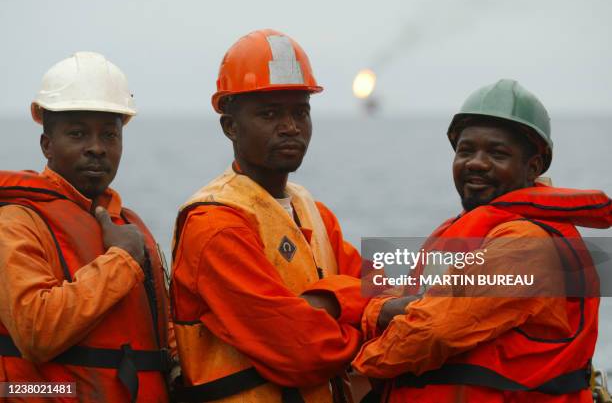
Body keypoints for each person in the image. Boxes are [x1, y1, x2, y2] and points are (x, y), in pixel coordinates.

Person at [352, 79, 612, 402]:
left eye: (497, 153)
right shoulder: (465, 230)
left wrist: (357, 358)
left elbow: (432, 331)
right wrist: (383, 309)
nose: (476, 162)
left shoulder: (526, 244)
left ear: (532, 167)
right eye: (466, 150)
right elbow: (416, 305)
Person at [170, 29, 368, 403]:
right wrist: (361, 323)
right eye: (270, 113)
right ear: (230, 127)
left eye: (300, 112)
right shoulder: (214, 225)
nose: (290, 127)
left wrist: (330, 301)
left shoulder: (314, 212)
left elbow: (381, 287)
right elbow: (300, 349)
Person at [0, 52, 174, 403]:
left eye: (110, 135)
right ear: (47, 145)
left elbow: (162, 327)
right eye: (78, 134)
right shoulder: (16, 223)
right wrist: (121, 259)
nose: (96, 149)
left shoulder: (130, 224)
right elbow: (36, 331)